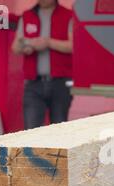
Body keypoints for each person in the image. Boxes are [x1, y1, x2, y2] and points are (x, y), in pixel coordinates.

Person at [12, 0, 73, 130]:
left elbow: (73, 46)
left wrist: (48, 43)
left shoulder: (68, 15)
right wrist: (25, 47)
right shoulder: (27, 15)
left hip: (61, 83)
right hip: (33, 83)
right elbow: (15, 47)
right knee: (31, 132)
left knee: (59, 131)